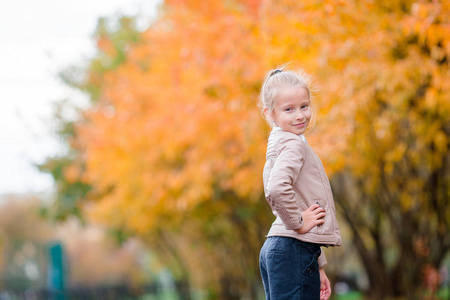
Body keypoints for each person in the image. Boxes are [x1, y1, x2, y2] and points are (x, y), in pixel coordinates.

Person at [258, 67, 342, 300]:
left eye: (304, 106)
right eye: (289, 109)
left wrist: (318, 264)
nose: (300, 115)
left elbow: (293, 202)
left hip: (282, 250)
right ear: (270, 113)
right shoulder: (294, 145)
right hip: (292, 249)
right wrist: (298, 222)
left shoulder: (276, 147)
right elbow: (276, 189)